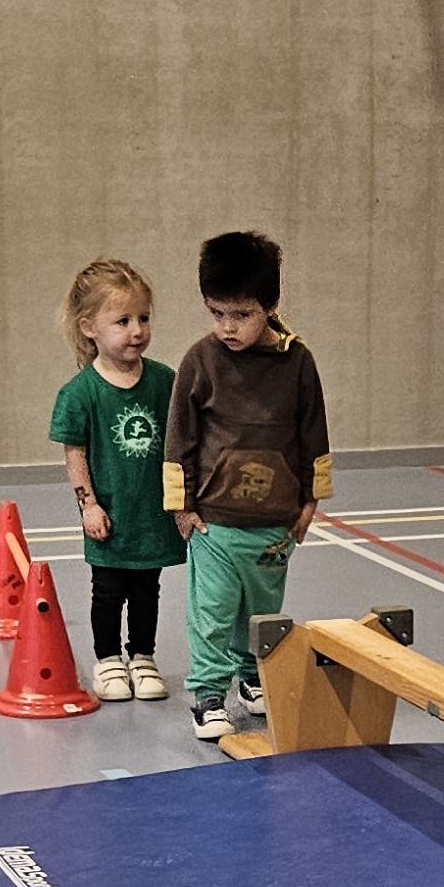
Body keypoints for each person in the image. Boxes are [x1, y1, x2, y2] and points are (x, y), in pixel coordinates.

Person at [163, 230, 331, 742]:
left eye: (242, 314)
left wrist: (310, 501)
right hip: (213, 522)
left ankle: (253, 675)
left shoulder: (298, 363)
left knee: (260, 612)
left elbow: (314, 433)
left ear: (271, 306)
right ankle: (209, 694)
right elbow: (179, 438)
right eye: (217, 313)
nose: (228, 327)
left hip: (274, 524)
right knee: (212, 612)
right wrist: (181, 507)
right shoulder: (200, 360)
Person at [49, 259, 182, 701]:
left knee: (147, 589)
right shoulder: (79, 393)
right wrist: (88, 505)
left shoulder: (164, 381)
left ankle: (142, 656)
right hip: (109, 514)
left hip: (151, 514)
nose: (137, 330)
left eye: (143, 318)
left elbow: (182, 441)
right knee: (107, 592)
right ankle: (107, 660)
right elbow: (75, 453)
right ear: (89, 327)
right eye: (122, 321)